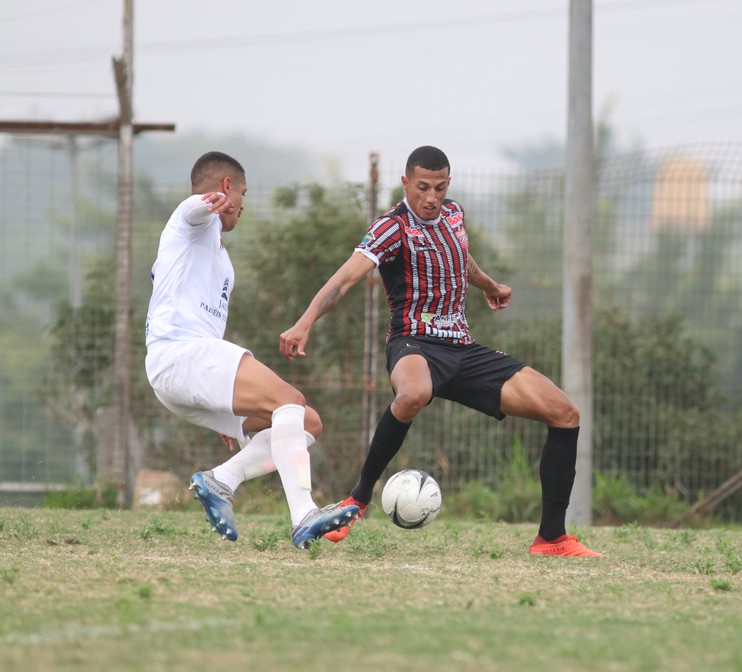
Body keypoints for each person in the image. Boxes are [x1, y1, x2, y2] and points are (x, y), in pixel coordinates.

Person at [280, 145, 601, 557]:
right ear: (405, 183)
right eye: (423, 187)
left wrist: (489, 285)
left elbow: (460, 257)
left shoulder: (453, 213)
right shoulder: (391, 228)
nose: (432, 197)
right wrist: (304, 323)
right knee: (413, 393)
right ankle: (356, 501)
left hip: (463, 350)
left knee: (565, 412)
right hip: (414, 343)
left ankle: (552, 538)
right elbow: (345, 279)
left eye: (440, 187)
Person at [144, 151, 358, 549]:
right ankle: (303, 515)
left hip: (187, 369)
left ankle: (221, 480)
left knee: (307, 422)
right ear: (227, 187)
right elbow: (191, 209)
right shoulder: (189, 224)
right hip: (181, 354)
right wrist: (208, 202)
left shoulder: (216, 253)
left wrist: (225, 399)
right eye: (242, 193)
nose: (243, 204)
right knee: (288, 400)